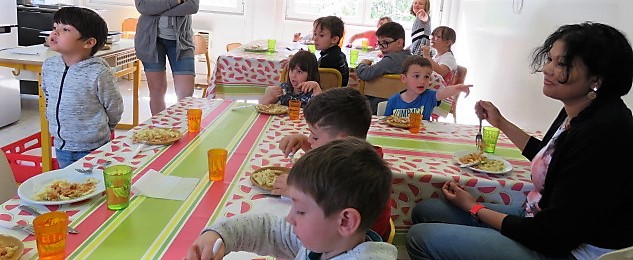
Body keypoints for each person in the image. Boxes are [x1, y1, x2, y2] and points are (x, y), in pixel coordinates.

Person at [406, 22, 633, 259]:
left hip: (569, 250)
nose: (547, 69)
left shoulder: (602, 133)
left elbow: (550, 235)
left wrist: (474, 207)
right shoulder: (579, 107)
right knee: (426, 209)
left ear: (596, 77)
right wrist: (501, 123)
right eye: (549, 59)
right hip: (537, 218)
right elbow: (546, 155)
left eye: (561, 64)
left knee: (420, 237)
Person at [184, 137, 397, 260]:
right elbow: (268, 229)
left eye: (301, 211)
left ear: (345, 221)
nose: (289, 218)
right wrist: (219, 234)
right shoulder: (327, 242)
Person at [276, 87, 393, 242]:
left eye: (315, 137)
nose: (310, 140)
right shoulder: (366, 157)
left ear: (341, 141)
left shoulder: (354, 178)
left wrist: (294, 190)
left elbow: (322, 211)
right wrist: (305, 143)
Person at [42, 7, 123, 168]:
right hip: (62, 145)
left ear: (88, 42)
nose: (55, 33)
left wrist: (103, 129)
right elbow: (48, 95)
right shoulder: (49, 65)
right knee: (69, 189)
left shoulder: (98, 72)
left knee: (95, 188)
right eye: (54, 28)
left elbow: (114, 107)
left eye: (65, 29)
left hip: (93, 147)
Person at [135, 0, 199, 115]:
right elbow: (143, 7)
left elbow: (192, 6)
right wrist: (177, 1)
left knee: (186, 94)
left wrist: (156, 9)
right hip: (150, 41)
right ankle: (159, 130)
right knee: (157, 91)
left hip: (182, 41)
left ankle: (183, 130)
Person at [384, 56, 471, 120]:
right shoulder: (393, 100)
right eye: (416, 76)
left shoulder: (429, 97)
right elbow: (385, 123)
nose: (422, 81)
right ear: (404, 78)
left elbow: (444, 92)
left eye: (426, 77)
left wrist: (459, 88)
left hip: (422, 139)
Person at [356, 21, 412, 114]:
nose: (382, 47)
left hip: (380, 107)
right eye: (379, 43)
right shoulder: (410, 57)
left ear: (399, 42)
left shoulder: (391, 59)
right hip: (403, 107)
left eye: (385, 43)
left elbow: (365, 74)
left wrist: (363, 63)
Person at [313, 16, 349, 87]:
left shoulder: (327, 60)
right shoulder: (341, 55)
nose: (315, 38)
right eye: (315, 34)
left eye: (321, 35)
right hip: (339, 95)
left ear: (334, 39)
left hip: (326, 95)